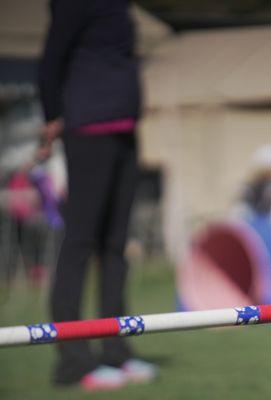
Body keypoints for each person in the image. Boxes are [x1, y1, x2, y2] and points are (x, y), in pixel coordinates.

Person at [38, 0, 156, 390]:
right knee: (80, 242)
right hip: (89, 127)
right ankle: (75, 361)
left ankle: (115, 351)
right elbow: (52, 59)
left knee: (115, 245)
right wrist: (52, 114)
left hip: (124, 127)